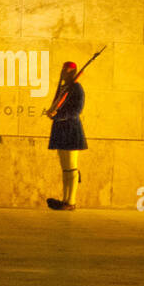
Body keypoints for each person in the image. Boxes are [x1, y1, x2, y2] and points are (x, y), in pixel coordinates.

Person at [46, 61, 86, 210]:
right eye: (64, 71)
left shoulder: (76, 88)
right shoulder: (64, 88)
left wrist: (58, 115)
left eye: (68, 71)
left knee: (71, 168)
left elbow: (77, 110)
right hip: (60, 129)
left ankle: (71, 201)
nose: (64, 74)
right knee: (65, 169)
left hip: (70, 129)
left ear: (73, 73)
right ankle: (66, 200)